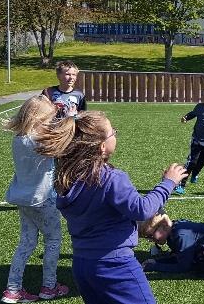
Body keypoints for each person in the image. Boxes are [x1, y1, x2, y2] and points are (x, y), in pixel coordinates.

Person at [34, 110, 187, 304]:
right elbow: (142, 209)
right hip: (115, 265)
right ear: (102, 146)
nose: (115, 133)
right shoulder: (111, 178)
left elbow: (99, 212)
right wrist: (168, 183)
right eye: (113, 132)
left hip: (82, 265)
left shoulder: (67, 179)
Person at [1, 96, 69, 303]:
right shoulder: (41, 141)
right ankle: (49, 286)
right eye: (48, 119)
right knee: (53, 241)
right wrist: (68, 117)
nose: (51, 122)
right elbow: (64, 140)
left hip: (23, 198)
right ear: (39, 119)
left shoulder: (19, 138)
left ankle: (13, 289)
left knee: (26, 243)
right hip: (43, 199)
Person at [176, 82, 204, 195]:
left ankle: (195, 173)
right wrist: (185, 117)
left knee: (201, 162)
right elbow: (192, 114)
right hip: (197, 141)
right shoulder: (200, 107)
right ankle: (181, 185)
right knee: (192, 162)